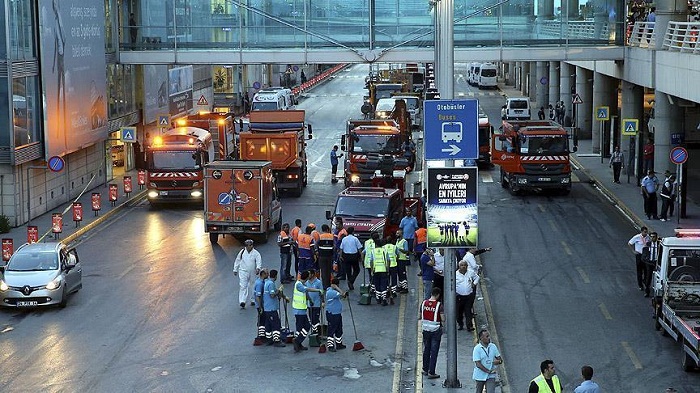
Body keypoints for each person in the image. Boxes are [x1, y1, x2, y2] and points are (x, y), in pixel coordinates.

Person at [292, 271, 321, 352]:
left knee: (305, 327)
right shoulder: (298, 285)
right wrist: (318, 290)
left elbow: (306, 293)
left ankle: (298, 342)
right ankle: (297, 341)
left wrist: (310, 300)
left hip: (301, 310)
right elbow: (307, 289)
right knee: (303, 327)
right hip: (299, 310)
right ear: (307, 277)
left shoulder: (302, 284)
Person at [421, 287, 444, 379]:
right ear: (438, 295)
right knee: (434, 351)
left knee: (426, 349)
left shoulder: (423, 303)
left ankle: (425, 369)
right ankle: (432, 372)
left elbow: (419, 316)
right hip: (435, 331)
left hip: (425, 330)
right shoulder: (439, 305)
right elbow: (443, 319)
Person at [233, 239, 262, 308]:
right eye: (247, 245)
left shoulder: (256, 253)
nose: (249, 247)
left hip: (252, 272)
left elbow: (258, 261)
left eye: (250, 245)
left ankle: (252, 300)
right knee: (243, 286)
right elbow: (238, 260)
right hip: (243, 271)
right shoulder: (242, 252)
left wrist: (258, 268)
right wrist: (235, 269)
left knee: (252, 285)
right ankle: (242, 301)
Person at [263, 269, 288, 347]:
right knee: (276, 324)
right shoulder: (271, 284)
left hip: (267, 308)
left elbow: (275, 291)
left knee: (268, 325)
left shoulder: (268, 282)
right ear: (276, 276)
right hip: (271, 308)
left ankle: (269, 339)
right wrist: (280, 290)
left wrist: (283, 296)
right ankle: (277, 341)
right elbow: (272, 295)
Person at [325, 277, 348, 352]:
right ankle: (330, 345)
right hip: (332, 314)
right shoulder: (331, 292)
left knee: (339, 329)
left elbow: (342, 296)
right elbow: (341, 294)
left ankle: (339, 344)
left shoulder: (332, 292)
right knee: (331, 330)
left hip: (337, 313)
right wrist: (337, 288)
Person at [456, 260, 479, 331]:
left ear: (467, 266)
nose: (463, 267)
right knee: (459, 312)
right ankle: (460, 324)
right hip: (459, 296)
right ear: (459, 266)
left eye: (464, 265)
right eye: (462, 265)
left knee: (468, 311)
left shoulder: (470, 273)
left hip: (469, 296)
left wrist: (474, 284)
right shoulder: (455, 274)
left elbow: (477, 277)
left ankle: (469, 326)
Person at [339, 226, 362, 290]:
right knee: (357, 270)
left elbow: (341, 249)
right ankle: (351, 281)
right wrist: (361, 257)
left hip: (346, 256)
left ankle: (350, 282)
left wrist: (341, 256)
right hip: (354, 256)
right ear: (353, 232)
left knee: (348, 271)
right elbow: (359, 248)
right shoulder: (355, 239)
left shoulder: (344, 239)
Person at [628, 226, 650, 293]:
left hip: (646, 255)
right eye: (645, 232)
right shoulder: (637, 237)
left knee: (646, 270)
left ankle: (645, 281)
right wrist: (633, 251)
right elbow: (629, 243)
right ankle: (640, 285)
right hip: (639, 255)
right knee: (639, 271)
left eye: (646, 232)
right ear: (642, 231)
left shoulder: (648, 237)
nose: (646, 233)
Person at [369, 237, 389, 305]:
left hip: (376, 270)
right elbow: (388, 260)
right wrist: (387, 269)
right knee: (383, 285)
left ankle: (378, 299)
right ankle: (384, 299)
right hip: (383, 270)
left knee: (377, 284)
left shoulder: (373, 251)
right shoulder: (385, 251)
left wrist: (371, 270)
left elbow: (371, 261)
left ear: (376, 245)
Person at [642, 231, 661, 297]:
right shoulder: (648, 244)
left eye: (654, 237)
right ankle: (647, 291)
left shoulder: (659, 244)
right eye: (651, 237)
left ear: (656, 237)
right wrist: (646, 259)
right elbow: (644, 253)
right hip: (649, 263)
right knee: (648, 277)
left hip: (657, 263)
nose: (652, 238)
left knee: (659, 277)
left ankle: (658, 291)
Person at [305, 269, 324, 334]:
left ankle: (316, 331)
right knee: (311, 318)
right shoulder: (306, 282)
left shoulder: (318, 282)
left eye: (309, 274)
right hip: (309, 305)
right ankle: (315, 331)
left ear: (312, 274)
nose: (308, 275)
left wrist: (323, 301)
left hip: (317, 304)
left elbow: (321, 292)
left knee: (315, 318)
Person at [254, 269, 269, 344]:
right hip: (260, 305)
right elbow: (258, 296)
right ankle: (262, 336)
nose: (268, 275)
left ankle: (263, 335)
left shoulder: (262, 281)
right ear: (263, 274)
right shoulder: (260, 283)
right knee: (262, 320)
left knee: (263, 319)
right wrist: (260, 307)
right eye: (267, 273)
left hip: (262, 304)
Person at [383, 235, 399, 304]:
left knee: (387, 279)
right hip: (393, 265)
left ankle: (387, 291)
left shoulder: (383, 247)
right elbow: (397, 255)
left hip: (386, 266)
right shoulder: (394, 247)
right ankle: (393, 292)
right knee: (394, 279)